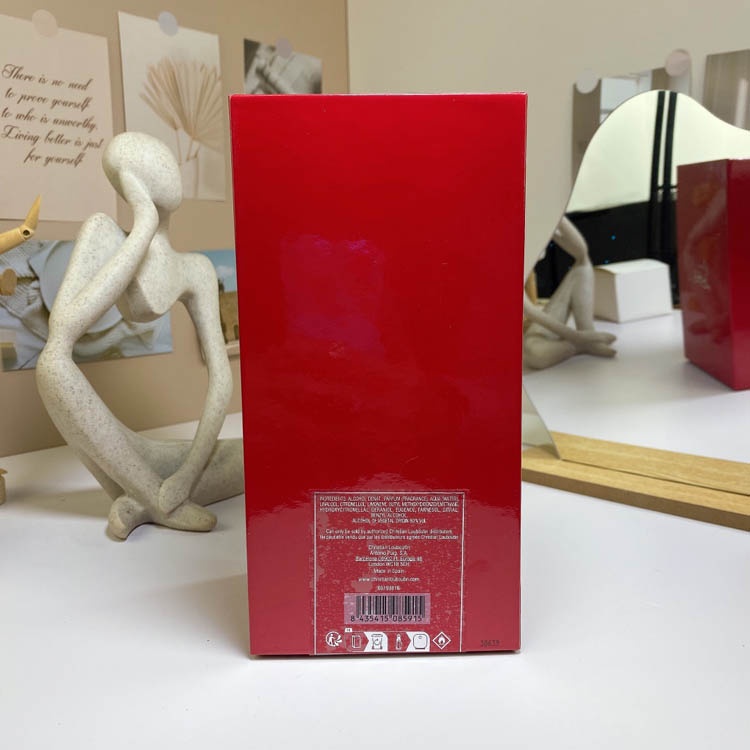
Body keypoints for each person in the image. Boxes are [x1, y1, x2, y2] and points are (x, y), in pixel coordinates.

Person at [36, 132, 243, 539]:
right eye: (145, 163)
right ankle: (156, 499)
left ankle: (138, 499)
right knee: (51, 365)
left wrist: (186, 475)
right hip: (117, 444)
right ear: (130, 182)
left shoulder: (196, 269)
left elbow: (221, 381)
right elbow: (62, 331)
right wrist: (144, 225)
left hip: (142, 455)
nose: (167, 169)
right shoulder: (104, 235)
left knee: (250, 458)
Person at [523, 216, 617, 369]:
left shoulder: (534, 224)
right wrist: (579, 338)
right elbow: (529, 311)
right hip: (510, 338)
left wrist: (557, 215)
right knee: (535, 354)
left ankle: (586, 330)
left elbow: (581, 253)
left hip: (538, 326)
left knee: (583, 267)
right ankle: (580, 345)